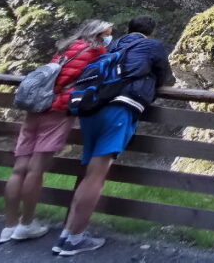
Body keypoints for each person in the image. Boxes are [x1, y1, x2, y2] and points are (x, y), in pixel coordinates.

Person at [55, 15, 173, 256]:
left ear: (128, 29)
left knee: (88, 172)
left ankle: (67, 232)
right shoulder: (152, 46)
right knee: (96, 176)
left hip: (91, 107)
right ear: (150, 31)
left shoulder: (113, 45)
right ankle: (75, 239)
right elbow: (166, 78)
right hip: (117, 108)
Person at [0, 20, 113, 244]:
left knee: (19, 168)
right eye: (107, 34)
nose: (109, 38)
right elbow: (99, 79)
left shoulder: (65, 48)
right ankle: (26, 224)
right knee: (36, 169)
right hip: (58, 110)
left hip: (35, 106)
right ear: (98, 34)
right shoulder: (95, 51)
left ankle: (9, 225)